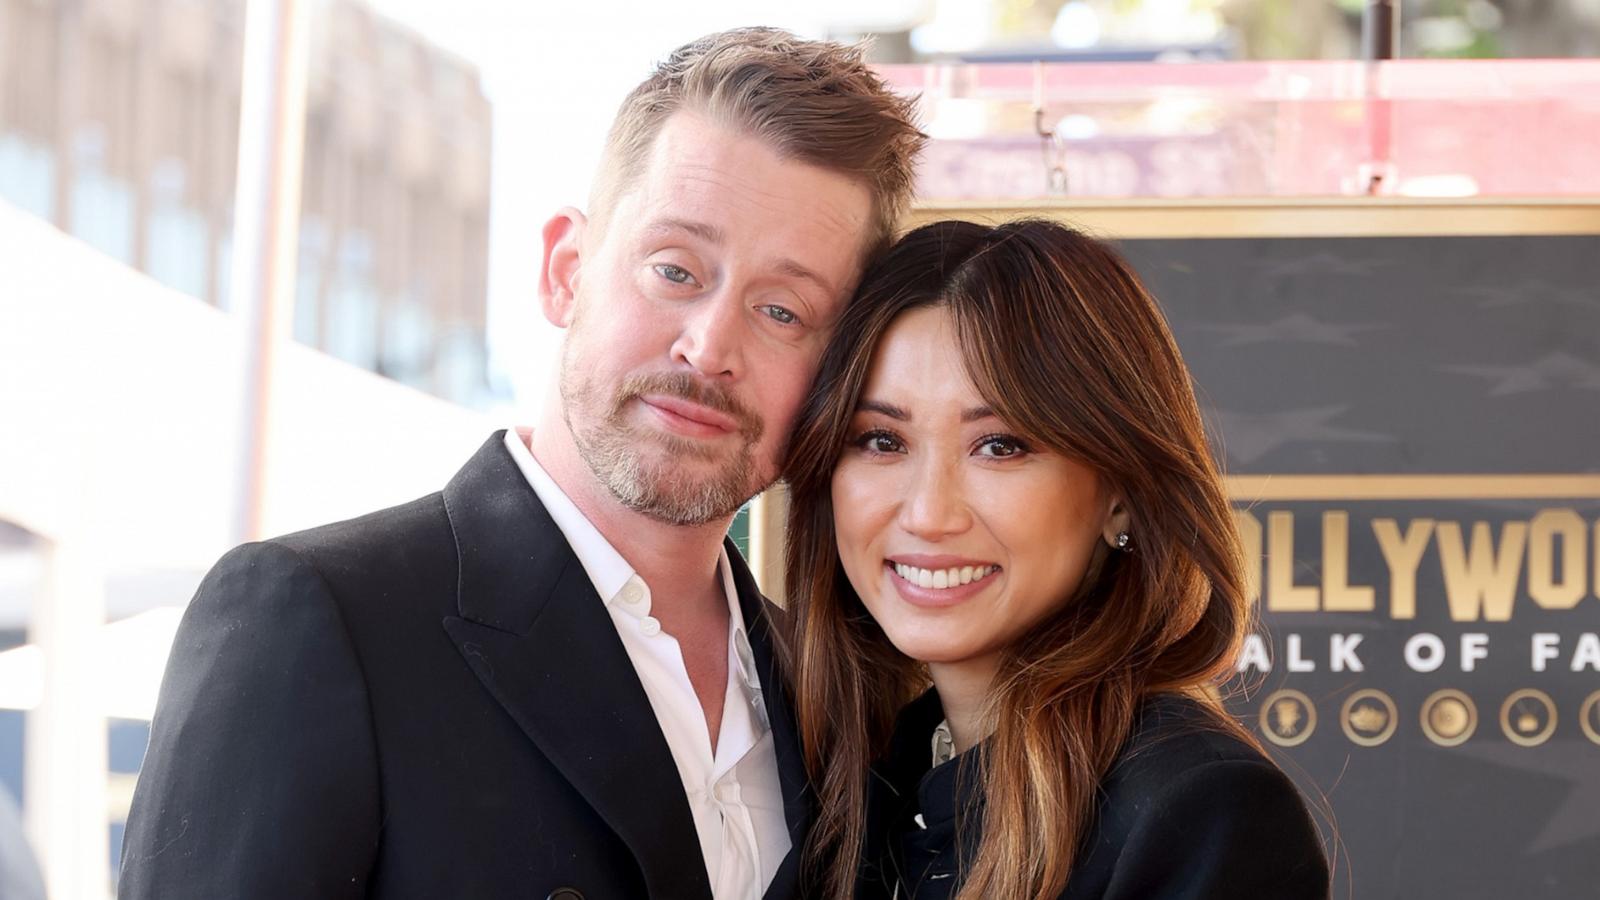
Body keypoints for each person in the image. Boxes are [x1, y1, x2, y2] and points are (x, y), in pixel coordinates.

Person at [119, 28, 922, 900]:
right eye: (675, 270)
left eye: (782, 311)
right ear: (565, 271)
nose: (709, 346)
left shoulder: (844, 693)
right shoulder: (317, 622)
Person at [781, 219, 1331, 900]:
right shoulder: (860, 794)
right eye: (880, 440)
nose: (927, 512)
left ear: (1121, 497)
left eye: (1001, 446)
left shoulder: (1197, 812)